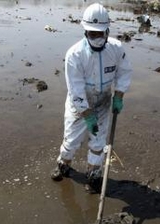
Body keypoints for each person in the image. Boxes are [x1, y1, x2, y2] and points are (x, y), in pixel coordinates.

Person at [51, 3, 133, 193]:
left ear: (107, 31)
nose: (96, 37)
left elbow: (124, 72)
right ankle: (63, 164)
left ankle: (93, 175)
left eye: (100, 33)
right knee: (71, 140)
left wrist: (119, 95)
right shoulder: (75, 55)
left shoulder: (116, 49)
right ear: (85, 31)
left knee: (98, 142)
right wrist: (87, 114)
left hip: (103, 102)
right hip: (79, 104)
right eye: (91, 33)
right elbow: (75, 88)